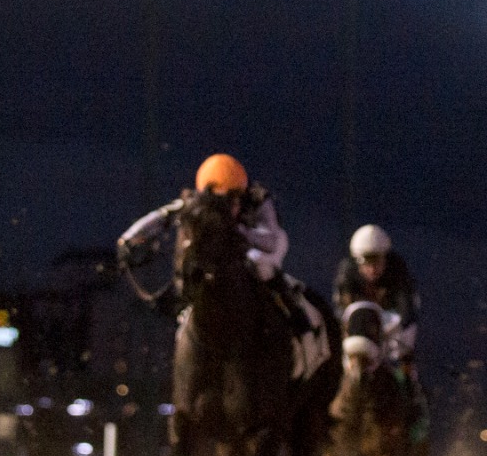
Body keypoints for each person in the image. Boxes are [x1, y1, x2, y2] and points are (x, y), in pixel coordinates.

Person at [117, 153, 312, 334]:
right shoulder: (198, 201)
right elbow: (163, 215)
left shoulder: (257, 199)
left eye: (230, 201)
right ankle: (184, 305)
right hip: (223, 249)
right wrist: (128, 239)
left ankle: (291, 306)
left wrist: (237, 231)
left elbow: (270, 241)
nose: (223, 208)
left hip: (259, 247)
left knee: (258, 263)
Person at [333, 224, 427, 439]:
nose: (372, 269)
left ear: (385, 258)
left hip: (392, 329)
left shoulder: (398, 271)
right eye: (366, 263)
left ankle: (415, 415)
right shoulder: (347, 272)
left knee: (405, 366)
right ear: (358, 262)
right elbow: (340, 310)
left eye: (377, 262)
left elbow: (407, 312)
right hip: (360, 330)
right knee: (337, 365)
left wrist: (389, 328)